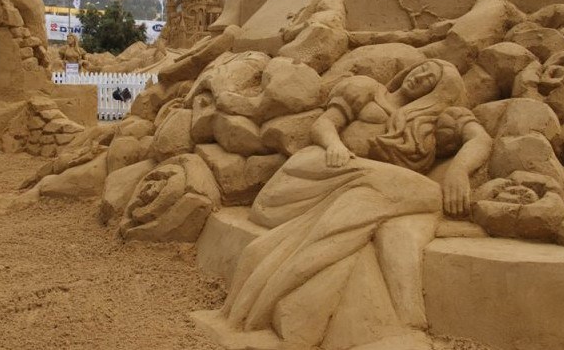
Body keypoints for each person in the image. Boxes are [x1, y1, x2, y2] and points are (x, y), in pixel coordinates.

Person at [209, 60, 492, 349]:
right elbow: (325, 124)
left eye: (429, 79)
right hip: (321, 171)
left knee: (394, 208)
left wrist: (459, 170)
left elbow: (479, 139)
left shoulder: (439, 117)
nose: (419, 77)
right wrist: (334, 145)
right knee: (423, 191)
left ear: (440, 91)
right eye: (421, 69)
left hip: (373, 193)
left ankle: (405, 322)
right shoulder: (367, 89)